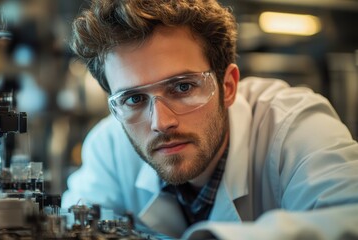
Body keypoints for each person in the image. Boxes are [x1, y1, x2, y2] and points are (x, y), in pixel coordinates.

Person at [62, 0, 358, 239]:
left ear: (227, 86)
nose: (161, 123)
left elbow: (349, 219)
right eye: (134, 99)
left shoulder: (294, 125)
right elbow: (76, 223)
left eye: (183, 87)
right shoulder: (109, 147)